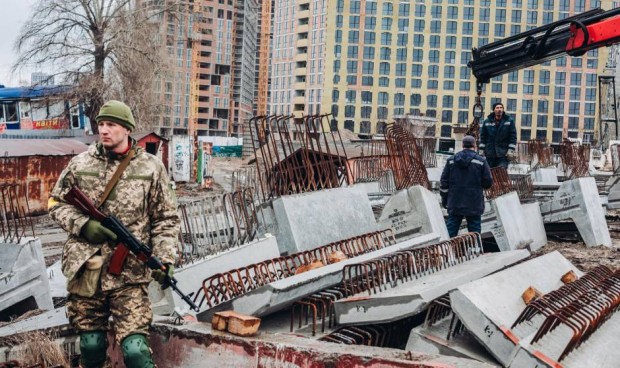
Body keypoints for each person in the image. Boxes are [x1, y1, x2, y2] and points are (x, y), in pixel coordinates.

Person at [48, 100, 180, 368]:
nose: (104, 130)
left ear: (127, 129)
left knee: (135, 351)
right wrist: (84, 225)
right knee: (91, 345)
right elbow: (54, 203)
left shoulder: (151, 168)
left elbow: (166, 219)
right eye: (101, 124)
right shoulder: (80, 164)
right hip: (88, 270)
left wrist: (164, 259)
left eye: (112, 125)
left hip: (129, 276)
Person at [440, 135, 493, 238]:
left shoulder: (451, 160)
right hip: (474, 202)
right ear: (474, 145)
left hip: (455, 201)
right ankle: (476, 250)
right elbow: (488, 182)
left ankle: (447, 251)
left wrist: (445, 199)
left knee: (451, 230)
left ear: (462, 145)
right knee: (475, 231)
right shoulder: (481, 161)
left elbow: (444, 182)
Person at [479, 102, 517, 168]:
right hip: (490, 153)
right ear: (494, 110)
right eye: (497, 108)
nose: (499, 109)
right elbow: (483, 137)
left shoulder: (509, 121)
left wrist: (511, 150)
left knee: (501, 172)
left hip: (503, 153)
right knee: (489, 172)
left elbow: (513, 136)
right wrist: (481, 149)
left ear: (503, 109)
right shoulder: (487, 122)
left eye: (501, 108)